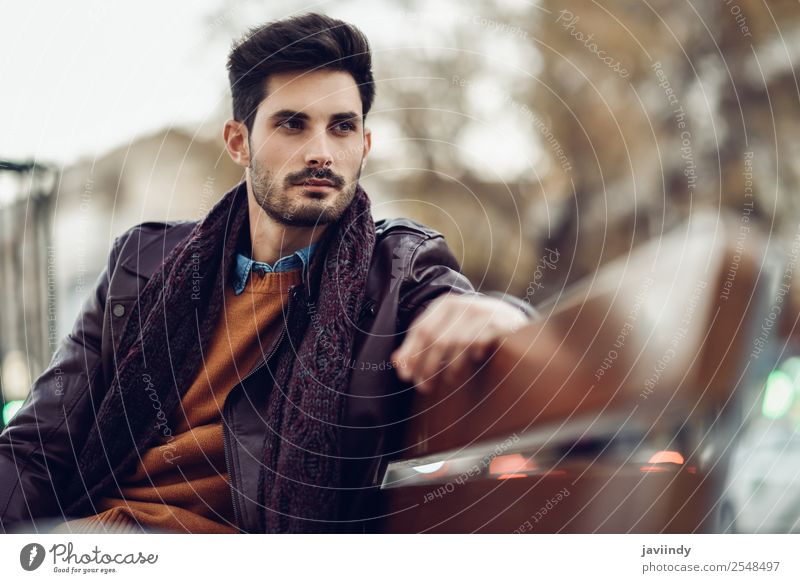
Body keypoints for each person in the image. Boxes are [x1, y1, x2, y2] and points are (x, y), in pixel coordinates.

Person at [0, 13, 533, 534]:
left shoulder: (396, 269)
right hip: (80, 538)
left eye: (342, 127)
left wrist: (493, 309)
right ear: (238, 142)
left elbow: (451, 303)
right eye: (291, 123)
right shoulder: (141, 262)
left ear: (364, 147)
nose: (321, 152)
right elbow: (39, 441)